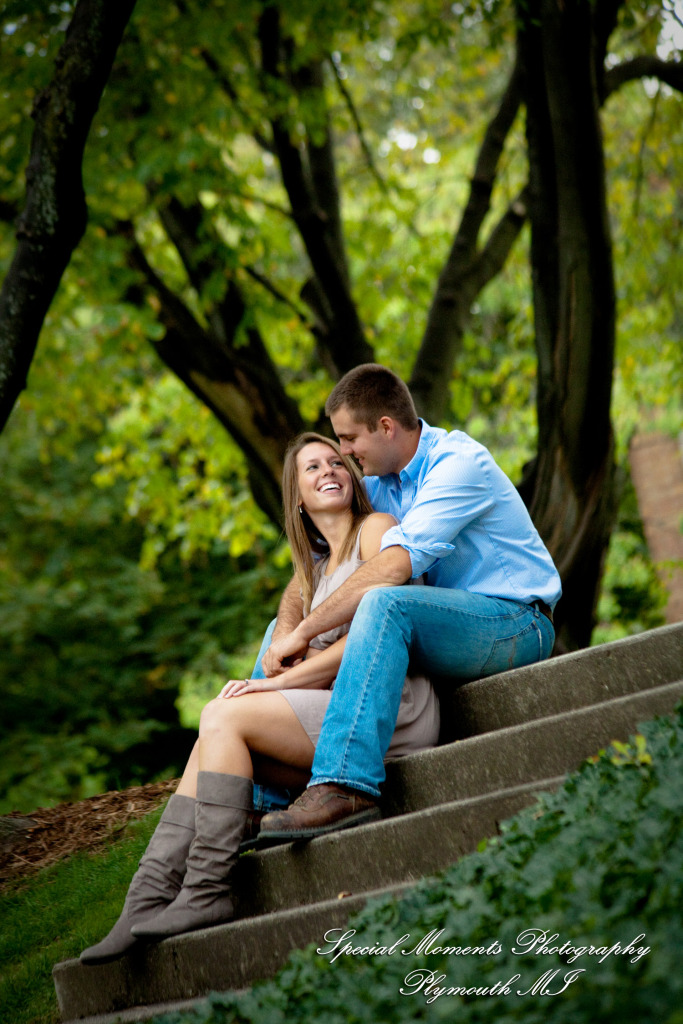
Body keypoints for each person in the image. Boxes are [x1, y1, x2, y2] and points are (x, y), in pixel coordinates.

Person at [79, 432, 439, 962]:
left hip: (385, 711)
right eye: (311, 468)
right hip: (329, 719)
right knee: (213, 731)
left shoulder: (376, 532)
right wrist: (282, 650)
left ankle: (206, 890)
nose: (328, 471)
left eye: (336, 461)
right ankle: (146, 899)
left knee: (221, 717)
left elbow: (371, 642)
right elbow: (289, 614)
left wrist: (274, 684)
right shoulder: (312, 573)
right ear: (297, 495)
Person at [257, 364, 561, 843]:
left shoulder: (458, 463)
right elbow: (311, 572)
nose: (344, 454)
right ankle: (265, 798)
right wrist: (285, 635)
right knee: (277, 630)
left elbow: (396, 568)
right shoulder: (378, 484)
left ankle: (346, 785)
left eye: (349, 439)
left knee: (384, 603)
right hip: (442, 629)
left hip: (514, 622)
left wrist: (306, 635)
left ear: (385, 427)